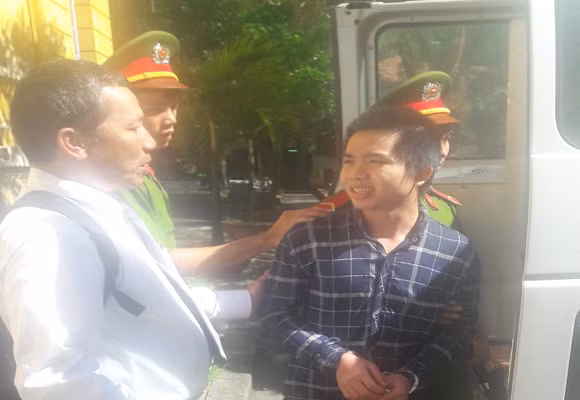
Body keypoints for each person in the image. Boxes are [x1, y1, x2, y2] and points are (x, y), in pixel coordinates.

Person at [0, 59, 267, 400]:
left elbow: (146, 304)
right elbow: (61, 384)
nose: (149, 142)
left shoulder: (96, 210)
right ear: (74, 142)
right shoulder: (48, 236)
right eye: (133, 127)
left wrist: (244, 300)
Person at [260, 106, 481, 400]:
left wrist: (410, 377)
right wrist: (337, 359)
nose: (356, 174)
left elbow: (459, 331)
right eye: (349, 161)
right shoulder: (308, 239)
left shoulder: (455, 252)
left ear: (421, 172)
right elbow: (273, 315)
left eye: (375, 161)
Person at [104, 31, 328, 272]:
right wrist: (265, 240)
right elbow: (159, 263)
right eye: (154, 109)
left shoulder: (146, 175)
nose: (171, 119)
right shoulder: (109, 183)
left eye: (174, 107)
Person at [318, 71, 462, 230]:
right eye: (424, 143)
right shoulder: (330, 217)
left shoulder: (444, 211)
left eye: (446, 138)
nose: (442, 151)